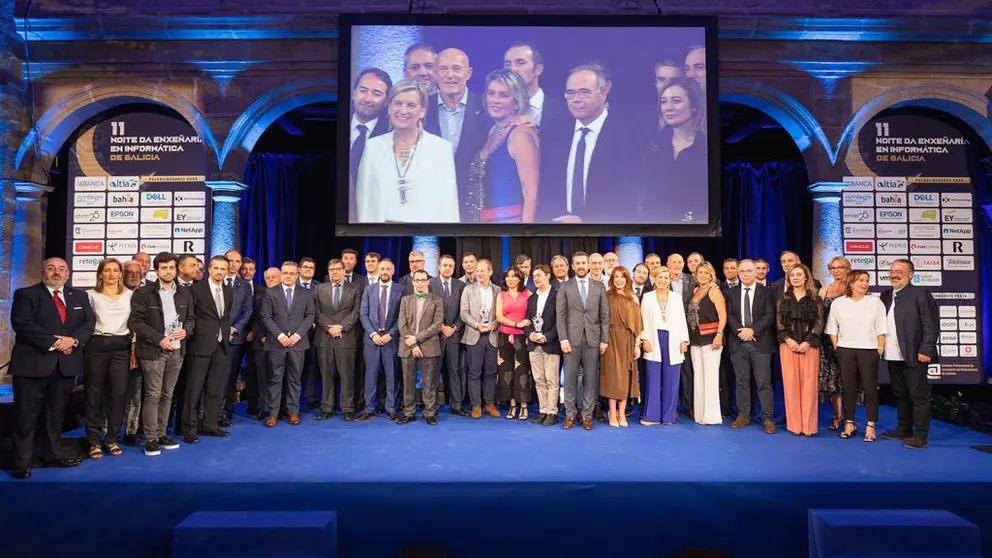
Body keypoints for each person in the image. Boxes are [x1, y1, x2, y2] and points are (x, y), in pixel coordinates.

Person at [9, 258, 95, 478]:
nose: (56, 273)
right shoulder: (26, 295)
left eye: (61, 269)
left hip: (65, 366)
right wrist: (57, 342)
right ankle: (23, 461)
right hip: (32, 365)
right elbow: (23, 324)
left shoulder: (80, 296)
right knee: (26, 416)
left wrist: (73, 341)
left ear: (67, 273)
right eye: (51, 268)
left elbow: (88, 324)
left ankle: (53, 454)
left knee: (55, 415)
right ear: (42, 272)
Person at [540, 64, 635, 223]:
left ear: (603, 93)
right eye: (571, 93)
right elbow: (547, 187)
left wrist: (586, 220)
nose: (576, 100)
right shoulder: (555, 133)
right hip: (558, 230)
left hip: (607, 232)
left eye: (584, 92)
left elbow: (628, 194)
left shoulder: (626, 135)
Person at [357, 78, 459, 223]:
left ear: (422, 111)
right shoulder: (373, 147)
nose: (403, 111)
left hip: (423, 236)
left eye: (411, 105)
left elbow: (449, 207)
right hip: (381, 236)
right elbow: (364, 203)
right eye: (397, 104)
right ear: (389, 107)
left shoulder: (441, 149)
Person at [130, 252, 195, 456]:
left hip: (177, 350)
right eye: (164, 268)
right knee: (153, 394)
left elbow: (191, 318)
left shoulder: (185, 293)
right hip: (153, 350)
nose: (168, 271)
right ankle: (150, 439)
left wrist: (186, 331)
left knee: (168, 394)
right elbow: (136, 322)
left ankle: (160, 433)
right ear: (156, 271)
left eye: (172, 268)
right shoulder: (144, 293)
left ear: (176, 269)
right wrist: (159, 338)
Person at [424, 48, 491, 220]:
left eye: (456, 68)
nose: (450, 75)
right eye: (443, 69)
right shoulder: (421, 109)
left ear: (468, 73)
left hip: (476, 211)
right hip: (430, 206)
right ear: (435, 74)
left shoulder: (487, 108)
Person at [466, 69, 539, 223]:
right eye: (491, 93)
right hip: (483, 226)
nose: (495, 100)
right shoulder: (492, 130)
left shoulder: (520, 135)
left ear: (517, 100)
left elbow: (531, 194)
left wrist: (524, 237)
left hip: (509, 226)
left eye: (503, 95)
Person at [879, 259, 939, 449]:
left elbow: (930, 324)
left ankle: (920, 436)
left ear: (910, 275)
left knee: (918, 395)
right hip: (892, 354)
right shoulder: (885, 295)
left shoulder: (920, 293)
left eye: (899, 271)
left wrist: (926, 349)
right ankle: (904, 430)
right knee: (900, 394)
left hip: (914, 354)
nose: (894, 274)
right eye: (892, 271)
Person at [826, 270, 886, 442]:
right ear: (851, 283)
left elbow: (881, 326)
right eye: (860, 280)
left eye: (866, 280)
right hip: (846, 350)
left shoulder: (875, 302)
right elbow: (832, 327)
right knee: (848, 388)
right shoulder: (839, 303)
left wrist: (880, 347)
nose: (864, 283)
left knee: (869, 389)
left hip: (869, 349)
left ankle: (870, 426)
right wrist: (837, 346)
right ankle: (849, 423)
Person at [83, 258, 134, 460]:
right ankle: (94, 441)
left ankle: (111, 439)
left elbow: (134, 325)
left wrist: (133, 351)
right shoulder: (90, 295)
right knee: (94, 394)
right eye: (107, 270)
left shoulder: (130, 295)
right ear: (100, 274)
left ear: (121, 274)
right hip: (96, 346)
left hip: (121, 347)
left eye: (115, 270)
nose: (112, 274)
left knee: (118, 394)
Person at [183, 256, 234, 443]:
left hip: (221, 346)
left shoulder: (228, 290)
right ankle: (189, 429)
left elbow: (224, 317)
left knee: (216, 388)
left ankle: (211, 425)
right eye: (216, 268)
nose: (220, 272)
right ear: (209, 270)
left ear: (227, 272)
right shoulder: (195, 289)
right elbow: (190, 316)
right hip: (200, 345)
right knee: (193, 390)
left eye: (223, 269)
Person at [556, 251, 610, 430]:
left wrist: (604, 340)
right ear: (573, 266)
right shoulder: (565, 286)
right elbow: (560, 315)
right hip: (571, 340)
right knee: (570, 379)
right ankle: (570, 414)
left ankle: (587, 415)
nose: (580, 266)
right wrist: (563, 338)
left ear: (588, 265)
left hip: (593, 340)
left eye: (583, 263)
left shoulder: (599, 286)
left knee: (590, 379)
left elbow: (605, 315)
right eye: (577, 263)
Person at [260, 261, 316, 427]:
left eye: (292, 273)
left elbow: (310, 315)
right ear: (281, 274)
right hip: (277, 344)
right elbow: (266, 317)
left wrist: (298, 335)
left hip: (298, 344)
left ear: (297, 275)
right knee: (275, 379)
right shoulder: (270, 293)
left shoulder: (306, 293)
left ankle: (293, 412)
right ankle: (273, 414)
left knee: (295, 379)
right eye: (285, 273)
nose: (288, 276)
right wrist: (280, 336)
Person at [726, 260, 777, 433]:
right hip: (738, 342)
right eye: (742, 271)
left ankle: (768, 418)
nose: (745, 274)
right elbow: (729, 315)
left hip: (760, 342)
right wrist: (741, 331)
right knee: (741, 382)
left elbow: (770, 316)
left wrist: (752, 330)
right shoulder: (731, 292)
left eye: (749, 271)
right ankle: (743, 416)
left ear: (756, 272)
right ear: (738, 273)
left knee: (764, 382)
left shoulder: (767, 292)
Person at [777, 264, 825, 437]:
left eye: (799, 274)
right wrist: (788, 340)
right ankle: (795, 426)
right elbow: (779, 323)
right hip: (788, 345)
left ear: (806, 277)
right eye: (792, 275)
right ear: (789, 279)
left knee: (809, 387)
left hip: (809, 346)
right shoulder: (783, 298)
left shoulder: (815, 298)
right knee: (790, 386)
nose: (796, 277)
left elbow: (819, 323)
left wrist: (807, 342)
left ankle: (808, 427)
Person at [356, 259, 405, 421]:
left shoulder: (401, 290)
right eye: (382, 268)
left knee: (391, 376)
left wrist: (391, 334)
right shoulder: (369, 290)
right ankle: (369, 408)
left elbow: (402, 317)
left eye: (388, 269)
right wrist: (373, 334)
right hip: (372, 340)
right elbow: (363, 314)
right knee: (370, 376)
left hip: (391, 340)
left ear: (393, 271)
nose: (384, 271)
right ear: (378, 270)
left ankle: (391, 408)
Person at [640, 266, 689, 426]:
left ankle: (668, 417)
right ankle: (651, 416)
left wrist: (683, 340)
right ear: (654, 278)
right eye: (660, 277)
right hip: (653, 339)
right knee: (653, 378)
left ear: (669, 280)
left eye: (666, 278)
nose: (663, 280)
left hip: (673, 339)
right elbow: (643, 319)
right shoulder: (647, 297)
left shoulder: (676, 297)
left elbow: (682, 320)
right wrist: (644, 339)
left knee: (672, 379)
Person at [314, 259, 362, 421]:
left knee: (347, 375)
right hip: (325, 337)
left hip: (346, 337)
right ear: (328, 271)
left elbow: (356, 312)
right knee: (326, 374)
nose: (335, 272)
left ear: (344, 271)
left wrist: (341, 327)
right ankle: (327, 407)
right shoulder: (319, 289)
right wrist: (329, 328)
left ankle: (348, 408)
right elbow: (316, 312)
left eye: (338, 269)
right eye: (331, 269)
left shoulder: (354, 289)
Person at [397, 270, 444, 425]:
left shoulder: (437, 300)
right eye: (417, 280)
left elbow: (437, 325)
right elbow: (402, 325)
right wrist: (413, 344)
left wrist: (417, 339)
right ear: (413, 282)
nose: (420, 283)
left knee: (429, 381)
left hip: (429, 345)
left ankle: (429, 412)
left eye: (423, 280)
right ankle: (409, 412)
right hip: (408, 346)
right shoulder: (405, 300)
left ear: (428, 282)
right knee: (408, 381)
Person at [599, 267, 643, 428]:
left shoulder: (634, 298)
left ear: (627, 279)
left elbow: (638, 325)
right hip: (610, 339)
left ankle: (621, 412)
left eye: (622, 277)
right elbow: (601, 320)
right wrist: (602, 341)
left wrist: (637, 345)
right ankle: (611, 412)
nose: (619, 280)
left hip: (628, 341)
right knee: (613, 377)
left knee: (626, 377)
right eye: (616, 277)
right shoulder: (606, 296)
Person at [349, 68, 393, 219]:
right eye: (363, 91)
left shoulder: (392, 135)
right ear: (353, 93)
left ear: (387, 101)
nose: (368, 99)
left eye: (376, 94)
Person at [460, 259, 501, 419]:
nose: (479, 273)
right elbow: (464, 313)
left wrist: (495, 324)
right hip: (474, 336)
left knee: (491, 372)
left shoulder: (498, 290)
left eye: (483, 270)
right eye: (478, 270)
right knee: (474, 373)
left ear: (490, 272)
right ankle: (476, 406)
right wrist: (477, 324)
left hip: (492, 336)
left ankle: (490, 404)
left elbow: (502, 313)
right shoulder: (468, 290)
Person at [687, 261, 726, 426]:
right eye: (699, 272)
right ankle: (700, 414)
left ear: (711, 275)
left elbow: (723, 316)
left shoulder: (714, 291)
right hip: (695, 340)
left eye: (705, 273)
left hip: (711, 339)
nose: (702, 275)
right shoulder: (696, 290)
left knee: (710, 378)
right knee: (699, 377)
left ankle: (711, 416)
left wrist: (719, 335)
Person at [429, 255, 467, 415]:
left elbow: (464, 310)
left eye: (450, 266)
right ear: (439, 267)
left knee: (454, 370)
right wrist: (441, 327)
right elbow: (428, 310)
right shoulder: (430, 284)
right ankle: (433, 406)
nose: (447, 268)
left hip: (454, 336)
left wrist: (454, 327)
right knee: (434, 372)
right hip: (435, 337)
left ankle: (456, 405)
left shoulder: (461, 285)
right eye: (444, 265)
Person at [525, 265, 560, 426]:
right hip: (534, 345)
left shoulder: (557, 295)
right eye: (534, 276)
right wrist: (530, 333)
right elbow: (527, 320)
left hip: (550, 344)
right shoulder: (532, 298)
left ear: (548, 276)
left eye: (539, 275)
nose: (536, 279)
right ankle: (543, 410)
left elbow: (560, 322)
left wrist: (547, 337)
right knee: (539, 379)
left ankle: (552, 411)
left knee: (551, 379)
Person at [495, 266, 533, 420]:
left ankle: (524, 406)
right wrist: (516, 324)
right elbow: (498, 316)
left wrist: (523, 326)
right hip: (504, 337)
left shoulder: (528, 294)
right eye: (507, 276)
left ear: (520, 278)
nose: (510, 279)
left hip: (522, 338)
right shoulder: (501, 294)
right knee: (506, 371)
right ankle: (512, 405)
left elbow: (532, 314)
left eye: (514, 276)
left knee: (522, 371)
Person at [817, 256, 850, 431]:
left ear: (847, 269)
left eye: (840, 267)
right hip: (827, 341)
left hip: (849, 339)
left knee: (847, 381)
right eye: (833, 268)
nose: (837, 271)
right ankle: (837, 416)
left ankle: (850, 419)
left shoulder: (853, 289)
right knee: (832, 383)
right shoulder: (824, 289)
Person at [222, 250, 253, 425]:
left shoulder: (244, 286)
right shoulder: (211, 281)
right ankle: (209, 413)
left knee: (231, 376)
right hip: (214, 337)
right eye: (230, 260)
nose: (233, 264)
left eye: (237, 261)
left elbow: (247, 311)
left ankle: (227, 411)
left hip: (235, 339)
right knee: (213, 377)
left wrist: (234, 328)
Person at [504, 42, 564, 126]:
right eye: (508, 64)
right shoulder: (495, 109)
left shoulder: (563, 111)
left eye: (520, 63)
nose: (512, 69)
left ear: (538, 70)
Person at [247, 267, 280, 420]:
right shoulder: (258, 297)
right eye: (268, 278)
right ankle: (265, 408)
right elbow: (253, 321)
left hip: (280, 343)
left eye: (274, 277)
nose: (271, 280)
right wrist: (261, 337)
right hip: (261, 344)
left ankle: (280, 408)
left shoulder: (285, 297)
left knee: (278, 377)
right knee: (262, 378)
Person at [121, 259, 145, 446]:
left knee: (135, 394)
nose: (135, 276)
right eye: (130, 272)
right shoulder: (116, 294)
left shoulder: (145, 294)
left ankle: (131, 430)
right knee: (112, 394)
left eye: (138, 272)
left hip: (140, 350)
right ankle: (107, 432)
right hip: (118, 348)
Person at [297, 257, 320, 409]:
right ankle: (293, 400)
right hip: (295, 333)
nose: (308, 270)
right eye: (305, 267)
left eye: (311, 268)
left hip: (314, 332)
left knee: (312, 366)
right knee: (296, 367)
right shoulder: (291, 284)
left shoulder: (319, 287)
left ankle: (311, 398)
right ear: (299, 269)